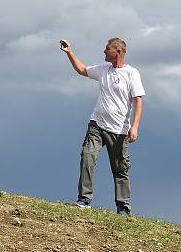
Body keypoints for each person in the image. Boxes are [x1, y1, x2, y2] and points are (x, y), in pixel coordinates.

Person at [59, 37, 144, 215]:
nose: (104, 52)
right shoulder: (103, 69)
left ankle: (123, 206)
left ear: (118, 52)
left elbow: (138, 101)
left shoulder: (132, 73)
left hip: (119, 130)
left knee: (120, 168)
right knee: (87, 156)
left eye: (107, 49)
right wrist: (70, 53)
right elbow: (82, 70)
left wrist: (134, 127)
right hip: (97, 124)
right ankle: (84, 199)